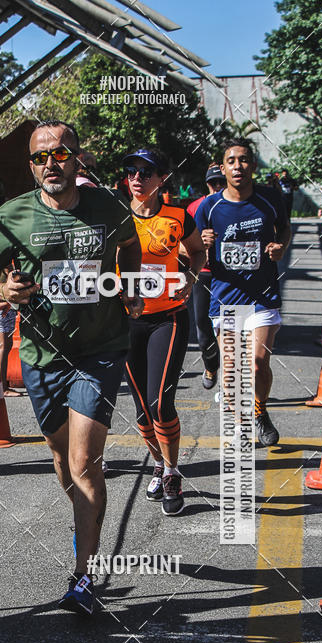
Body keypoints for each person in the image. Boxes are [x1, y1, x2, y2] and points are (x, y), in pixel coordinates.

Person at [0, 120, 142, 615]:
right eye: (41, 156)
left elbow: (130, 247)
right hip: (43, 358)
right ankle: (83, 524)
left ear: (76, 158)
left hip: (101, 349)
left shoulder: (106, 207)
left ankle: (83, 578)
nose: (51, 163)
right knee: (62, 464)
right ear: (31, 166)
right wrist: (3, 291)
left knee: (84, 463)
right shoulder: (12, 217)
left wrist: (129, 282)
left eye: (61, 153)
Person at [122, 147, 205, 515]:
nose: (137, 177)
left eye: (146, 171)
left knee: (159, 403)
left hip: (168, 318)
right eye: (132, 171)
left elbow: (197, 252)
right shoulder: (115, 217)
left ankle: (172, 472)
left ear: (162, 179)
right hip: (125, 321)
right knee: (141, 410)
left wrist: (189, 278)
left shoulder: (177, 216)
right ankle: (157, 461)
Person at [194, 137, 291, 446]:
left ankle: (259, 410)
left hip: (262, 296)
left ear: (253, 165)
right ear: (223, 168)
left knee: (259, 362)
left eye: (244, 159)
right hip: (226, 298)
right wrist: (203, 243)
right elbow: (190, 249)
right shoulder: (210, 206)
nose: (238, 166)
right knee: (233, 367)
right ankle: (241, 425)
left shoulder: (269, 198)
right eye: (232, 161)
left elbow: (284, 229)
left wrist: (280, 246)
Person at [187, 164, 225, 389]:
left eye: (222, 182)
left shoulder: (235, 205)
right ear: (207, 184)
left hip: (230, 276)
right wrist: (200, 245)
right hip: (205, 274)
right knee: (203, 324)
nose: (218, 187)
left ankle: (230, 385)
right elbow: (182, 244)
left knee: (230, 327)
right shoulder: (195, 207)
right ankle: (211, 365)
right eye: (214, 183)